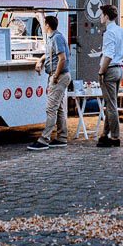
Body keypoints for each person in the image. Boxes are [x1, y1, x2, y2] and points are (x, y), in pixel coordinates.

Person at [27, 15, 72, 151]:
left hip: (59, 76)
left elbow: (62, 58)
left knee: (51, 108)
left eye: (44, 24)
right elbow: (49, 54)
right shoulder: (53, 38)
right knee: (58, 108)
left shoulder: (56, 38)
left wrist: (56, 76)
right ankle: (61, 137)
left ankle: (44, 139)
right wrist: (40, 60)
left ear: (47, 25)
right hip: (60, 76)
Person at [96, 4, 123, 148]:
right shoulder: (121, 31)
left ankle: (115, 137)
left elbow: (108, 54)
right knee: (111, 103)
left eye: (101, 14)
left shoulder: (109, 33)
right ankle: (104, 134)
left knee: (111, 106)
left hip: (109, 70)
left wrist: (101, 71)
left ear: (106, 16)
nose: (100, 17)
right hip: (119, 69)